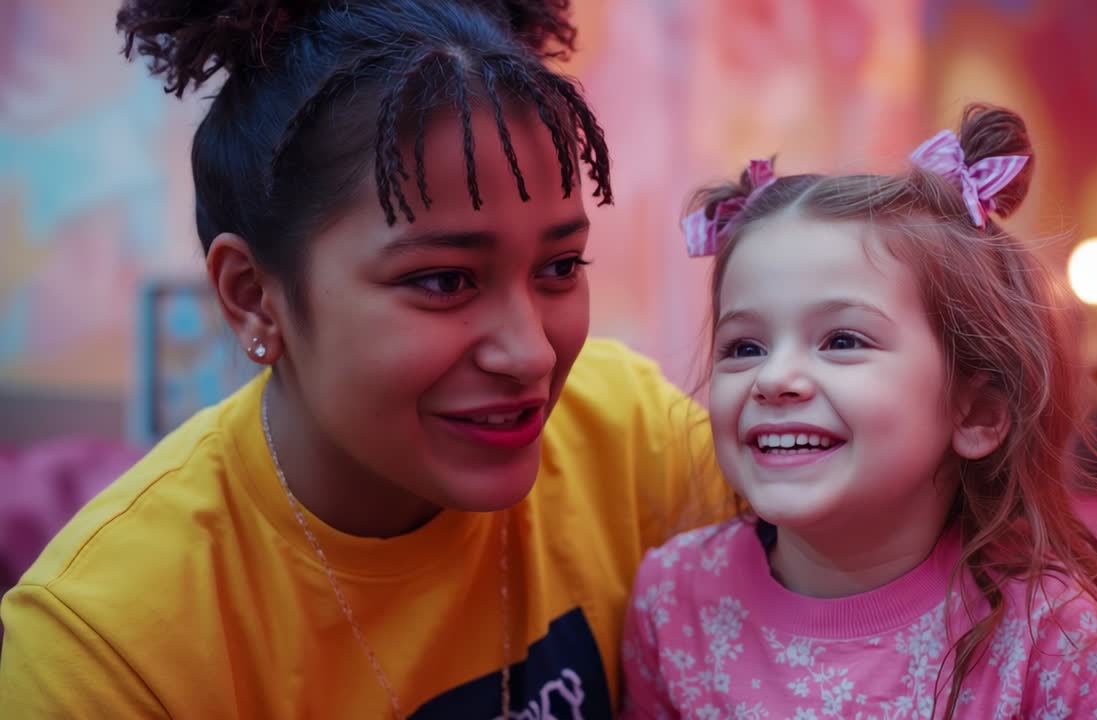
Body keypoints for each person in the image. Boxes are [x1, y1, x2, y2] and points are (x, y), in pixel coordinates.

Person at [0, 1, 729, 717]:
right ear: (254, 297)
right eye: (443, 281)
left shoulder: (629, 437)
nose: (531, 354)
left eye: (561, 267)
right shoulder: (108, 647)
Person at [620, 104, 1097, 719]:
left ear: (976, 413)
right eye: (744, 348)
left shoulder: (1056, 640)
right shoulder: (672, 597)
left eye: (842, 340)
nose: (772, 379)